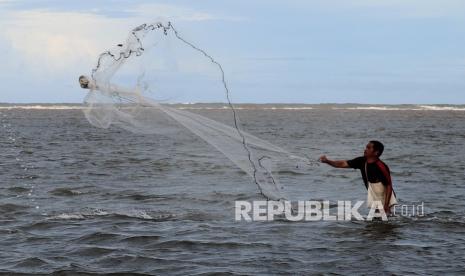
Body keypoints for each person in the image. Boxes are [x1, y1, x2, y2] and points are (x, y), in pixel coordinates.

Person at [319, 140, 397, 215]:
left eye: (368, 148)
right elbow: (342, 164)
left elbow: (389, 186)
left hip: (386, 197)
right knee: (378, 221)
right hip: (374, 195)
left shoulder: (381, 166)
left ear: (376, 152)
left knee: (384, 220)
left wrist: (386, 205)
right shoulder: (361, 161)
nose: (365, 149)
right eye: (366, 147)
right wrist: (327, 161)